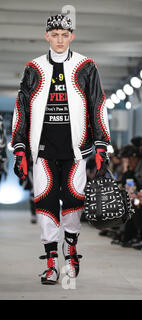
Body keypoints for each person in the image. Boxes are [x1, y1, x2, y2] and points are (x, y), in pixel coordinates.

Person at [10, 14, 111, 285]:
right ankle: (52, 262)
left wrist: (102, 147)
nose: (59, 39)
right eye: (54, 35)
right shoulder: (34, 67)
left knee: (74, 202)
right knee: (45, 203)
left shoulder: (86, 66)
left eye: (64, 35)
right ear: (47, 36)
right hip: (41, 150)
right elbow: (22, 108)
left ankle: (72, 250)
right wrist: (19, 148)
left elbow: (97, 105)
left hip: (76, 150)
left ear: (71, 36)